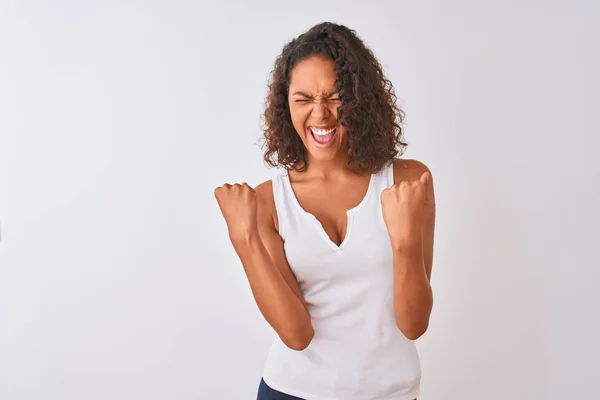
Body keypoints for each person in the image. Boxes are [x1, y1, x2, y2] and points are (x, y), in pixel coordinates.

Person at [214, 21, 436, 400]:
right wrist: (244, 238)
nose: (321, 115)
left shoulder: (408, 181)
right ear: (287, 106)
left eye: (336, 97)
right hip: (291, 391)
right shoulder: (269, 202)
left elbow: (413, 324)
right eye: (303, 99)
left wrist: (403, 241)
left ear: (359, 99)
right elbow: (296, 335)